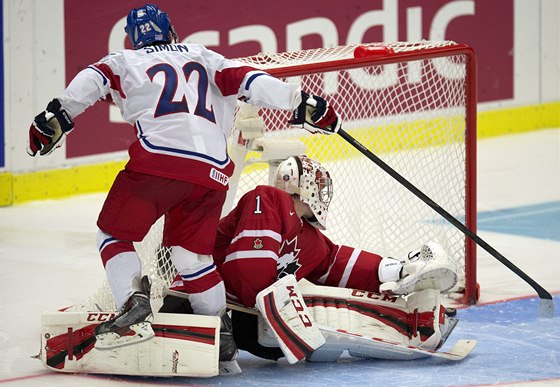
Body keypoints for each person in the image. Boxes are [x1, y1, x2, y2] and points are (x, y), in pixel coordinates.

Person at [26, 4, 340, 355]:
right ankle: (221, 336)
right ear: (172, 32)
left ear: (133, 40)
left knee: (112, 234)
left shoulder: (123, 60)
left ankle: (133, 305)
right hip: (212, 173)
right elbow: (251, 80)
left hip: (158, 162)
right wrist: (301, 101)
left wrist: (59, 112)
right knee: (193, 259)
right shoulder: (204, 56)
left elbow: (93, 79)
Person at [162, 155, 459, 361]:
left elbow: (340, 264)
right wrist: (286, 312)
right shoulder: (266, 198)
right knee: (309, 306)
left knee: (329, 314)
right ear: (302, 186)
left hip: (244, 320)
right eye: (318, 186)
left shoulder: (310, 240)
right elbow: (246, 271)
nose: (322, 193)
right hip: (193, 305)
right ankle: (412, 325)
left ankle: (411, 327)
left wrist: (397, 270)